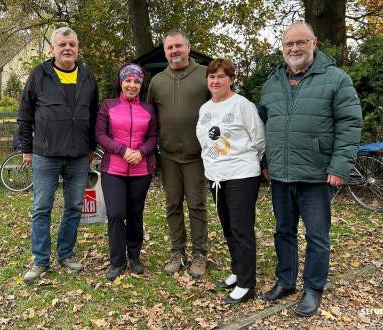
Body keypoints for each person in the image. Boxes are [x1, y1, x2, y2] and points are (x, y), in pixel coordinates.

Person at [258, 22, 362, 316]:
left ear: (313, 42)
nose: (294, 49)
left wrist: (340, 165)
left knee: (317, 234)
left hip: (316, 174)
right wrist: (266, 162)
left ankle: (313, 289)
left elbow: (350, 123)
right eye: (289, 44)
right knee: (283, 231)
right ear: (282, 47)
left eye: (300, 42)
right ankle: (285, 281)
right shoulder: (272, 82)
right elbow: (264, 127)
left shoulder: (336, 79)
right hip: (280, 173)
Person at [18, 27, 99, 283]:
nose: (67, 48)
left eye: (72, 44)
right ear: (53, 48)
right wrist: (27, 149)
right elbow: (25, 113)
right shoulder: (39, 75)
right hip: (46, 154)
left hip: (77, 156)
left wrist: (91, 148)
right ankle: (40, 261)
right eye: (62, 44)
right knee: (42, 208)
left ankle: (65, 254)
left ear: (78, 48)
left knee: (74, 206)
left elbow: (94, 116)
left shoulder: (87, 77)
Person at [196, 59, 265, 304]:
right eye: (212, 76)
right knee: (228, 228)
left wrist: (244, 163)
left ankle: (247, 284)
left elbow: (258, 139)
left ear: (231, 79)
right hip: (215, 177)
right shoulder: (205, 109)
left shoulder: (242, 105)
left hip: (241, 175)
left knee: (241, 229)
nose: (216, 81)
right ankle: (237, 271)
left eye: (222, 76)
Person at [147, 29, 210, 278]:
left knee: (196, 204)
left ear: (188, 47)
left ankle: (199, 254)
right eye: (170, 48)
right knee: (172, 205)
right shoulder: (157, 81)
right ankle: (177, 252)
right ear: (165, 52)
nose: (174, 51)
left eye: (178, 46)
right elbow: (150, 118)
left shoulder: (205, 75)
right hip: (169, 155)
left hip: (197, 155)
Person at [96, 64, 157, 281]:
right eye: (128, 80)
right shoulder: (108, 105)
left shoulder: (149, 109)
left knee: (134, 214)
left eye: (136, 81)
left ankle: (134, 257)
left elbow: (153, 137)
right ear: (121, 82)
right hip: (113, 168)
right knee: (115, 214)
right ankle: (116, 261)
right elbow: (100, 134)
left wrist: (141, 152)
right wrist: (122, 150)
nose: (132, 85)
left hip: (141, 170)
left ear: (142, 84)